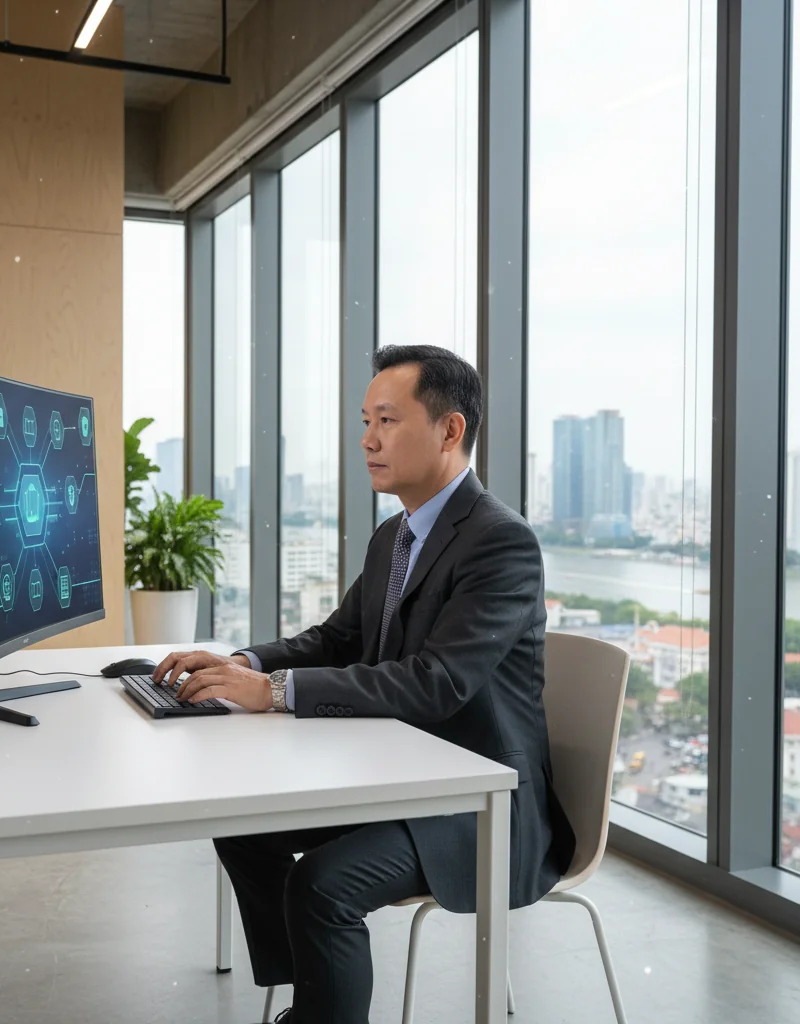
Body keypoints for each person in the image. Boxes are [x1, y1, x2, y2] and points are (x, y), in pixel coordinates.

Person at [152, 345, 575, 1024]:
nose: (367, 439)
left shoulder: (500, 542)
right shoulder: (396, 536)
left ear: (450, 430)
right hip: (397, 775)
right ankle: (316, 995)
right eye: (365, 419)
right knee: (239, 824)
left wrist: (279, 691)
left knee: (322, 885)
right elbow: (335, 639)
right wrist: (242, 663)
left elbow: (437, 683)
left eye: (387, 420)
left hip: (476, 804)